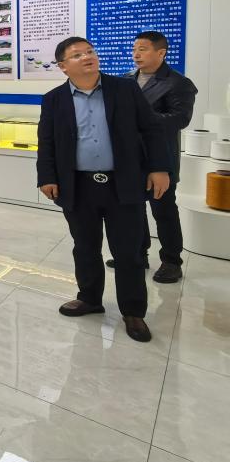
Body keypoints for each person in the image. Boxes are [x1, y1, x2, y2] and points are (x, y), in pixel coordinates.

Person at [37, 36, 171, 343]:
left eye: (90, 51)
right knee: (85, 246)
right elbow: (47, 141)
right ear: (63, 66)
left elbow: (151, 129)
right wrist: (47, 176)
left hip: (122, 184)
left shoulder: (124, 89)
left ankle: (133, 312)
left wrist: (159, 168)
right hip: (78, 186)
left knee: (128, 251)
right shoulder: (54, 99)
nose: (87, 57)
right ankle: (89, 298)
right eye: (77, 55)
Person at [105, 31, 197, 283]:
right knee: (133, 209)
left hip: (160, 158)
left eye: (143, 49)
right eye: (135, 49)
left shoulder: (178, 83)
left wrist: (141, 120)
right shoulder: (126, 80)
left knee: (164, 210)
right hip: (129, 158)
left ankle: (171, 261)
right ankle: (139, 254)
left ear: (161, 52)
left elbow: (180, 119)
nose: (136, 54)